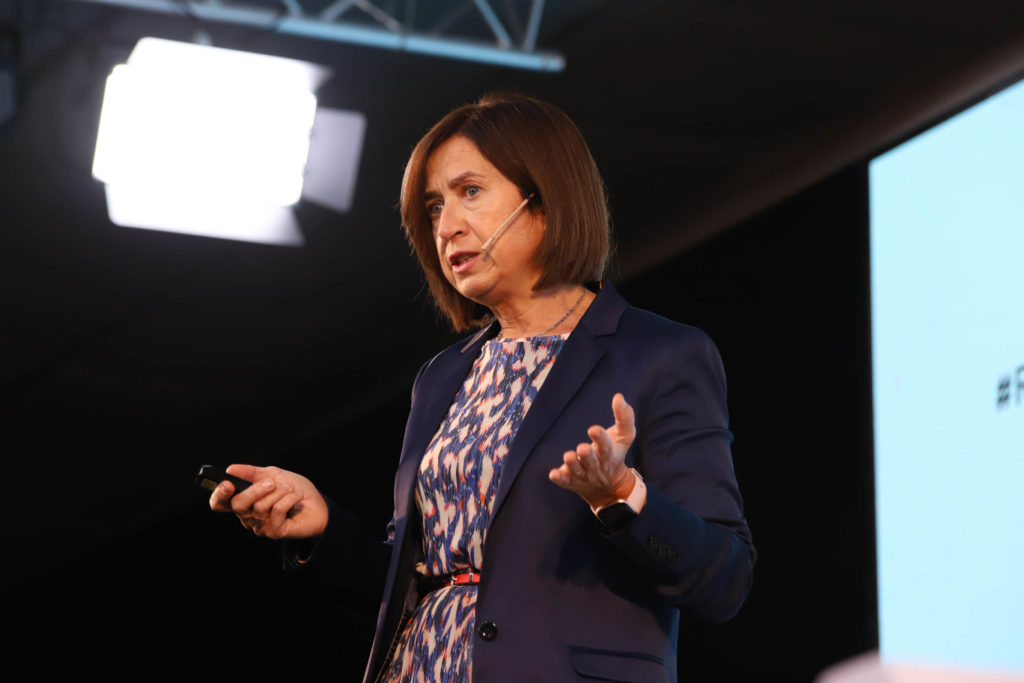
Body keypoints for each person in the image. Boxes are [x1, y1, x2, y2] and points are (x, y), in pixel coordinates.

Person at [209, 93, 754, 683]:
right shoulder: (443, 376)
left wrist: (622, 495)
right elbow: (413, 585)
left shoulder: (660, 354)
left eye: (470, 192)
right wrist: (323, 526)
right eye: (434, 206)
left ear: (544, 198)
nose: (446, 227)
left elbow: (724, 580)